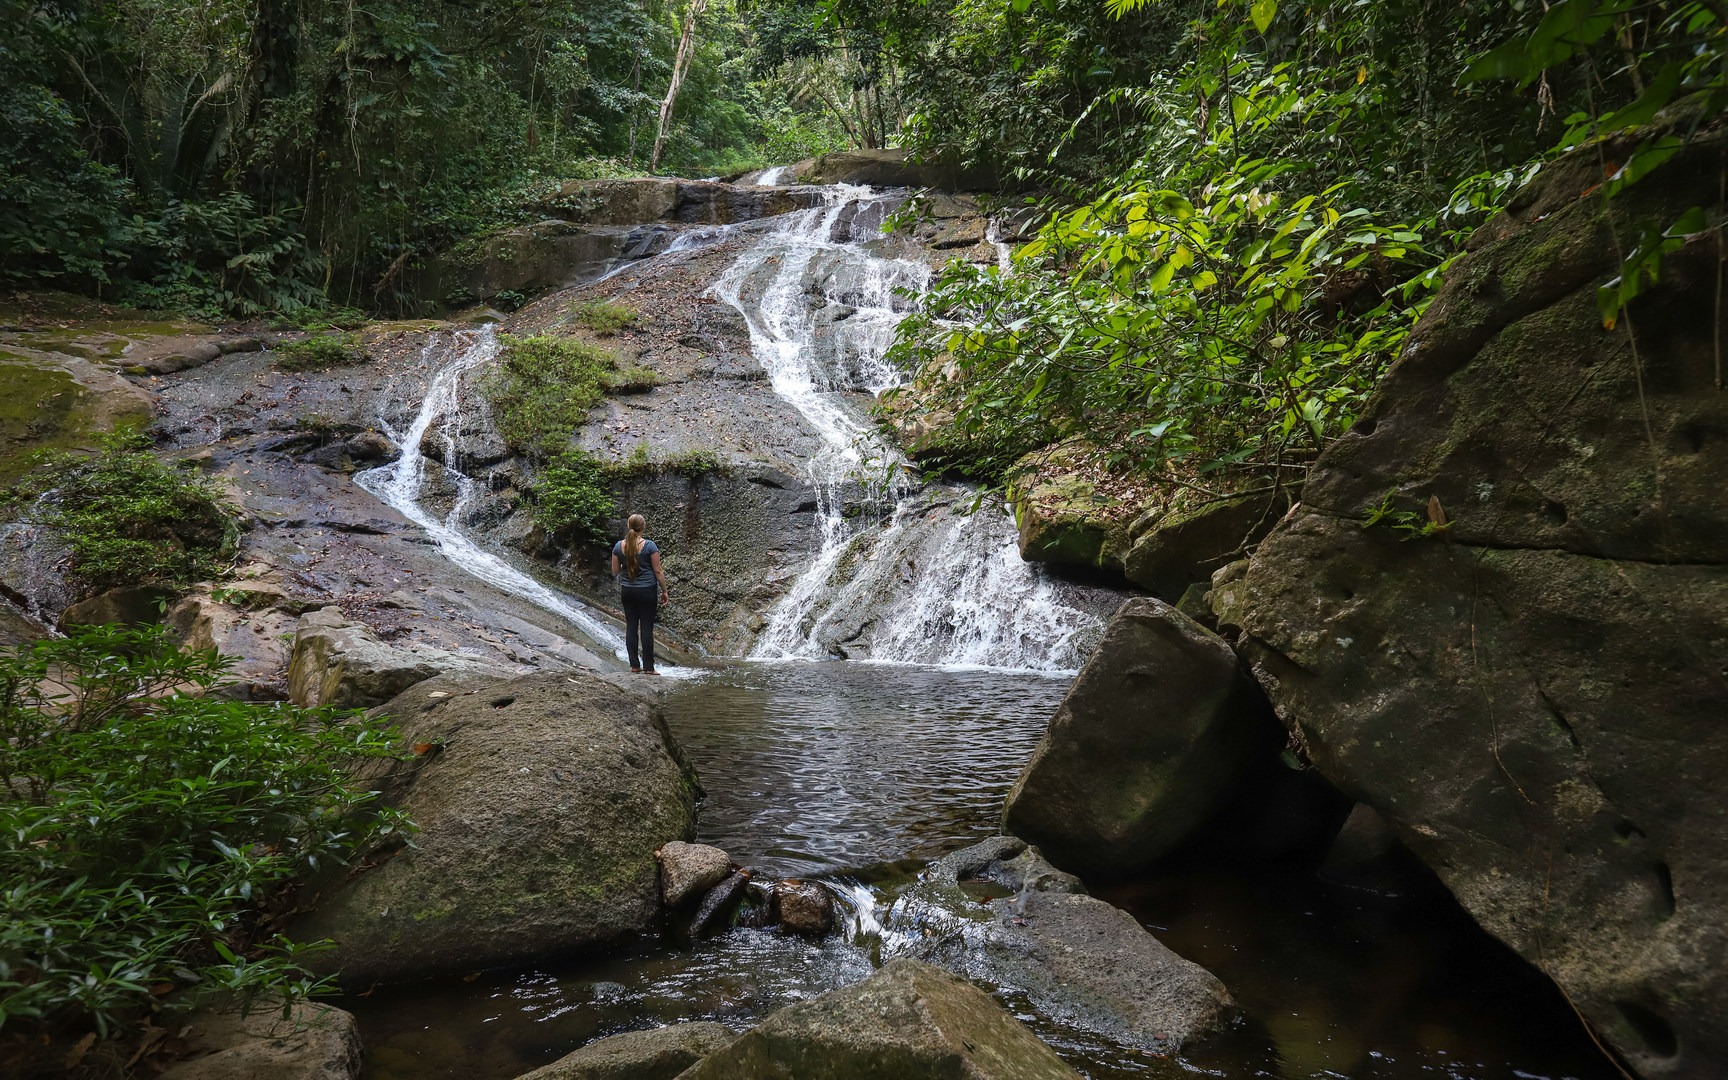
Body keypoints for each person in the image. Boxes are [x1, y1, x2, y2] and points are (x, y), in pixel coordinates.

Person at [611, 513, 670, 674]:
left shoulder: (618, 546)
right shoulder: (650, 546)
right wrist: (664, 591)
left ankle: (634, 666)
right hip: (647, 591)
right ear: (643, 527)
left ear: (628, 526)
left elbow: (615, 571)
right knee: (646, 628)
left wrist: (627, 566)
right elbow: (657, 571)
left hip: (627, 591)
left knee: (631, 626)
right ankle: (649, 668)